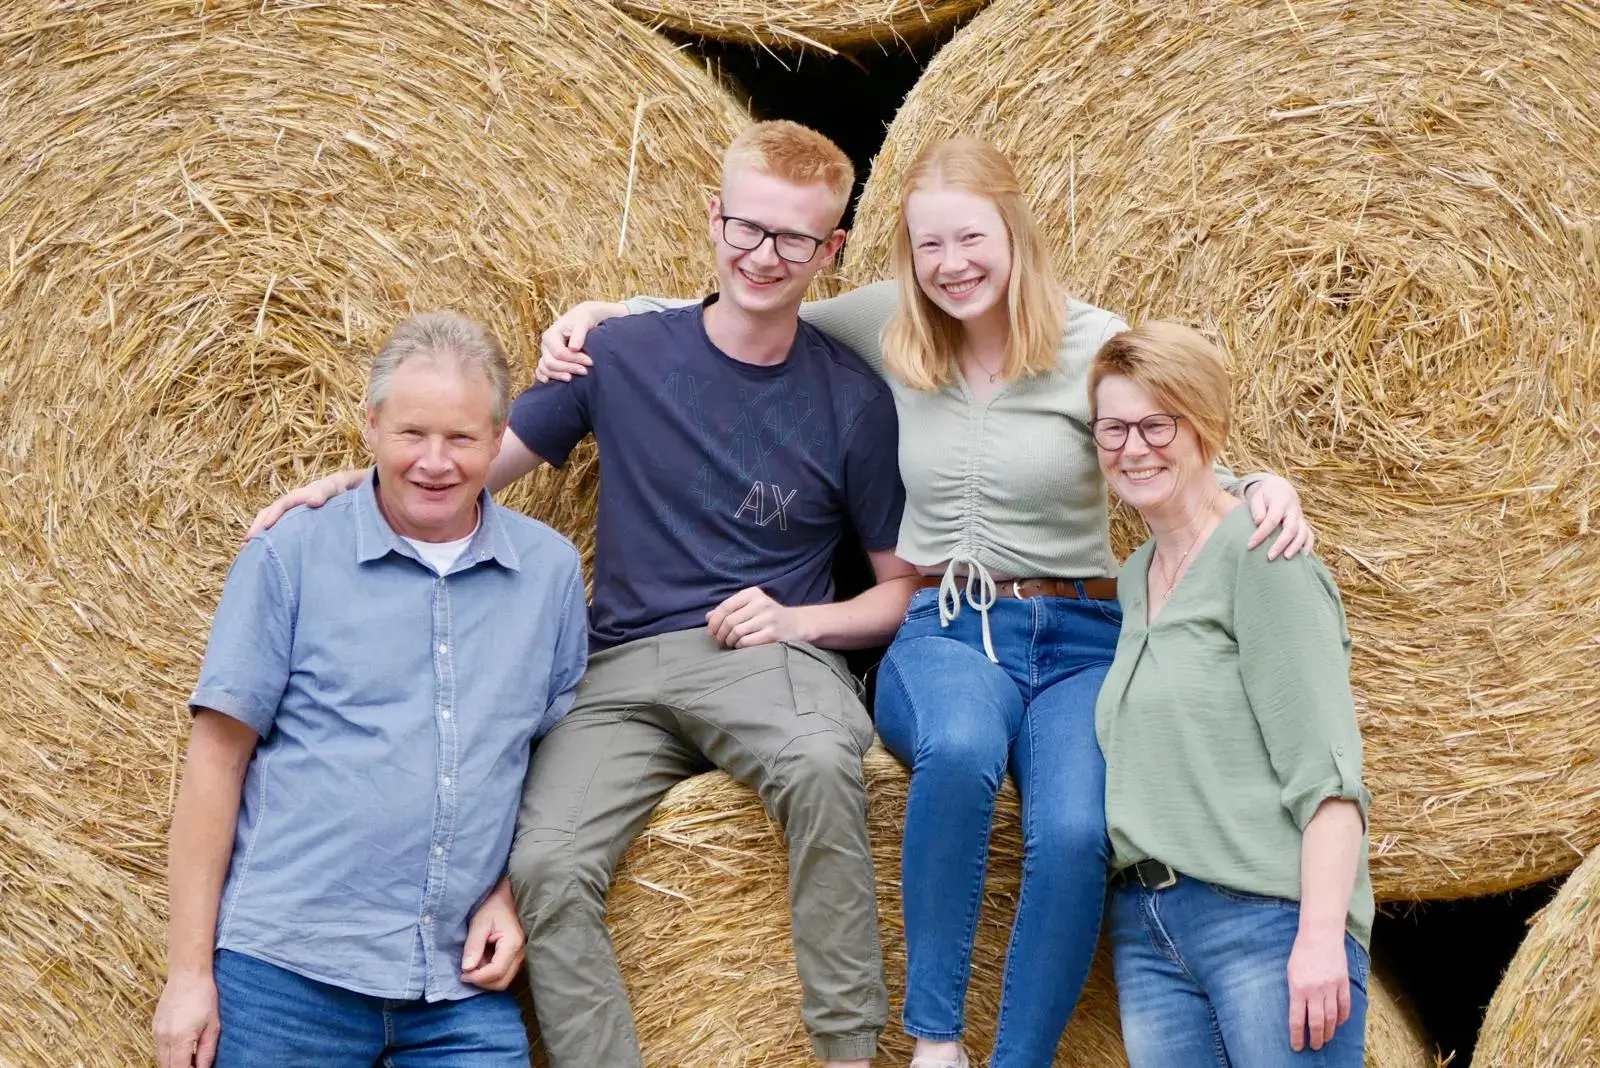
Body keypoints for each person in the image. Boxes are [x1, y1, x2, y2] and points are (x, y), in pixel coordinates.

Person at [533, 137, 1315, 1068]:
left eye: (971, 239)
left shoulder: (1089, 341)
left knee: (1074, 832)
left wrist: (1261, 484)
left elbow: (1166, 439)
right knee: (960, 749)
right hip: (949, 623)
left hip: (1076, 629)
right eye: (929, 245)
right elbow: (760, 295)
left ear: (1016, 233)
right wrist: (603, 316)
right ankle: (935, 1043)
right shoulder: (888, 321)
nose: (951, 265)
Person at [242, 120, 915, 1068]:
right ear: (714, 217)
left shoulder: (853, 400)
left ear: (831, 250)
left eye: (794, 239)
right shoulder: (622, 353)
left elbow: (900, 593)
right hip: (622, 671)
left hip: (769, 658)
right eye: (748, 228)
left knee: (817, 763)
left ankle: (848, 1052)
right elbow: (472, 466)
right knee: (544, 864)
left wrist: (796, 619)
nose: (765, 256)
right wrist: (349, 486)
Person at [152, 311, 588, 1068]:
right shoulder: (290, 554)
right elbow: (216, 761)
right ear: (371, 426)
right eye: (411, 433)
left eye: (461, 438)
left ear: (498, 438)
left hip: (458, 986)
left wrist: (512, 893)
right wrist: (187, 976)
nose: (434, 462)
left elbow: (559, 758)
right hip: (285, 977)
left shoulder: (550, 574)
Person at [1089, 321, 1372, 1068]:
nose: (1133, 448)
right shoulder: (1135, 576)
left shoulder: (1264, 553)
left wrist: (1320, 938)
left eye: (1157, 424)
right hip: (1148, 935)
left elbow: (1329, 774)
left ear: (1206, 426)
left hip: (1266, 923)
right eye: (1113, 428)